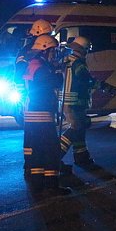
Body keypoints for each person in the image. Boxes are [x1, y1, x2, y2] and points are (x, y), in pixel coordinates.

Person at [23, 34, 69, 195]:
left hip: (32, 114)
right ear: (44, 51)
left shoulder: (33, 64)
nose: (54, 55)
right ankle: (51, 185)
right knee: (51, 150)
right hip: (41, 113)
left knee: (38, 149)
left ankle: (38, 182)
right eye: (52, 51)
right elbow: (56, 82)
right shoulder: (42, 69)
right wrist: (58, 70)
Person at [58, 36, 96, 168]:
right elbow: (88, 80)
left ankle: (81, 156)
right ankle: (55, 156)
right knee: (74, 128)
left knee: (80, 129)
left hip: (66, 101)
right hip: (74, 102)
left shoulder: (65, 60)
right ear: (84, 50)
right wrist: (106, 87)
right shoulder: (78, 64)